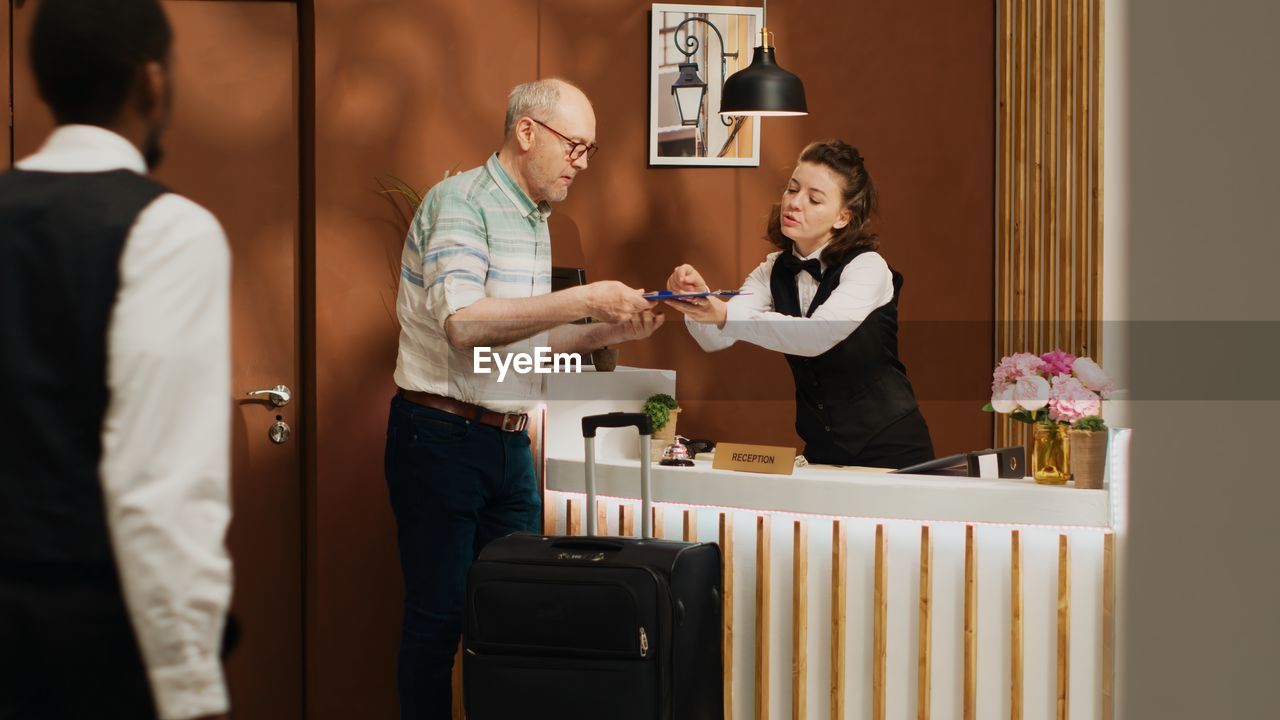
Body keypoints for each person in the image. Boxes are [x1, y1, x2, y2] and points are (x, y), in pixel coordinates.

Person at [385, 78, 663, 719]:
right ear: (527, 131)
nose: (583, 163)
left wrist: (613, 327)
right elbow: (466, 325)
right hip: (441, 437)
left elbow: (522, 334)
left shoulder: (535, 219)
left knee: (512, 619)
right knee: (438, 623)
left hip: (509, 442)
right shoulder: (461, 203)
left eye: (590, 151)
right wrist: (589, 298)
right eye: (576, 146)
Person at [0, 1, 233, 719]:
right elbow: (157, 488)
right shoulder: (169, 232)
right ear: (152, 82)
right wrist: (192, 687)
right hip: (95, 639)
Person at [666, 139, 934, 469]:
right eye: (792, 190)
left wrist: (722, 312)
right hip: (822, 450)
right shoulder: (772, 270)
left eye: (814, 199)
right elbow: (715, 339)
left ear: (842, 217)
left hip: (893, 450)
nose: (794, 203)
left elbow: (817, 337)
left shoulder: (868, 268)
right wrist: (698, 302)